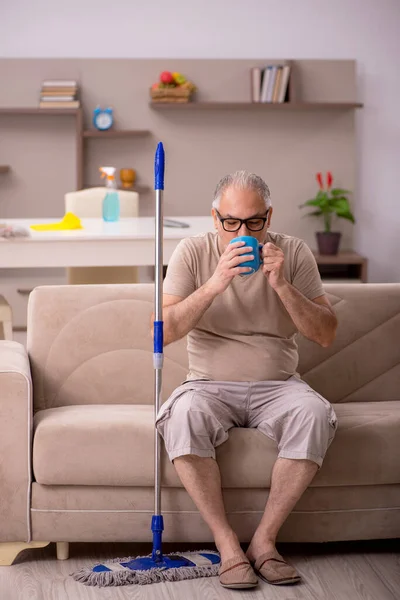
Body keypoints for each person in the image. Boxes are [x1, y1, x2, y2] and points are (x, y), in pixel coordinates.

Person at [155, 170, 338, 590]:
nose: (243, 232)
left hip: (279, 385)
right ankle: (227, 547)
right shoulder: (192, 251)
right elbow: (162, 331)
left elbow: (325, 333)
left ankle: (264, 542)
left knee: (313, 413)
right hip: (207, 383)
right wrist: (215, 283)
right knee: (182, 416)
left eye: (254, 222)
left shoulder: (292, 252)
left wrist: (282, 284)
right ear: (214, 218)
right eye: (231, 222)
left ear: (269, 217)